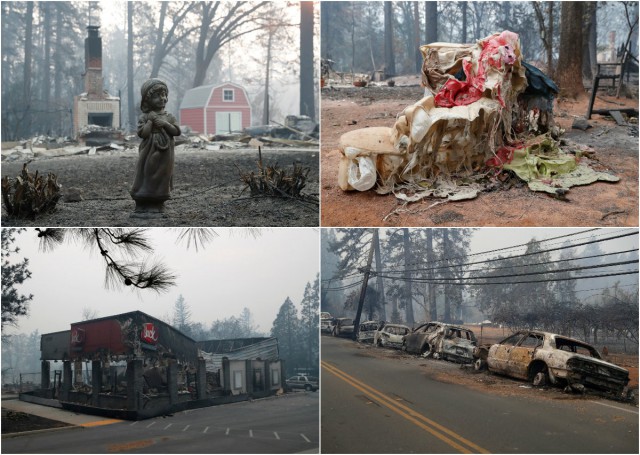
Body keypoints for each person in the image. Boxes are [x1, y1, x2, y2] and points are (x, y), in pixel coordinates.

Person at [130, 78, 181, 212]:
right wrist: (150, 122)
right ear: (147, 100)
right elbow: (143, 134)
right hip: (149, 149)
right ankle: (143, 198)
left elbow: (176, 131)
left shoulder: (169, 116)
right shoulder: (145, 117)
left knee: (163, 173)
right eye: (157, 96)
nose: (162, 98)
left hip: (166, 151)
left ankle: (159, 201)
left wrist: (165, 124)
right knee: (147, 171)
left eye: (164, 95)